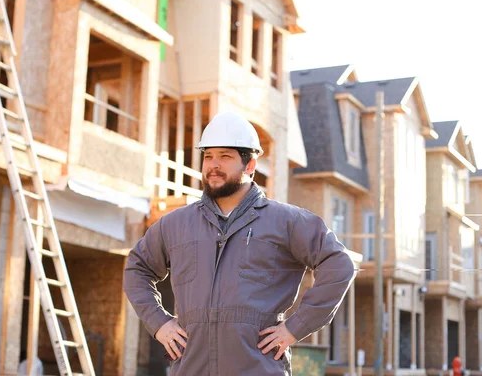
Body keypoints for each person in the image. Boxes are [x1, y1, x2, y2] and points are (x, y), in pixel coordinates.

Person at [123, 111, 355, 375]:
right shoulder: (175, 224)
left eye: (225, 156)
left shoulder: (286, 221)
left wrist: (295, 327)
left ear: (250, 164)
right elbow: (137, 268)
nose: (213, 165)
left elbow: (339, 264)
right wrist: (159, 322)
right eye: (208, 156)